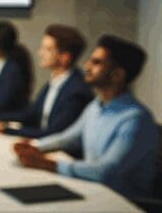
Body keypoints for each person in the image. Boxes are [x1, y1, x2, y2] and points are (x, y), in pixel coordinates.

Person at [13, 35, 158, 200]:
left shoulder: (135, 119)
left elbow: (105, 172)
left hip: (122, 203)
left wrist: (48, 164)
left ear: (117, 75)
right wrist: (35, 147)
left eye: (96, 63)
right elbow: (68, 138)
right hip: (94, 192)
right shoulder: (95, 106)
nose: (86, 66)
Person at [0, 24, 94, 139]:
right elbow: (31, 114)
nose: (40, 53)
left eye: (47, 49)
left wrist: (2, 129)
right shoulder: (57, 81)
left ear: (64, 57)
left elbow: (53, 134)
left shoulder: (76, 91)